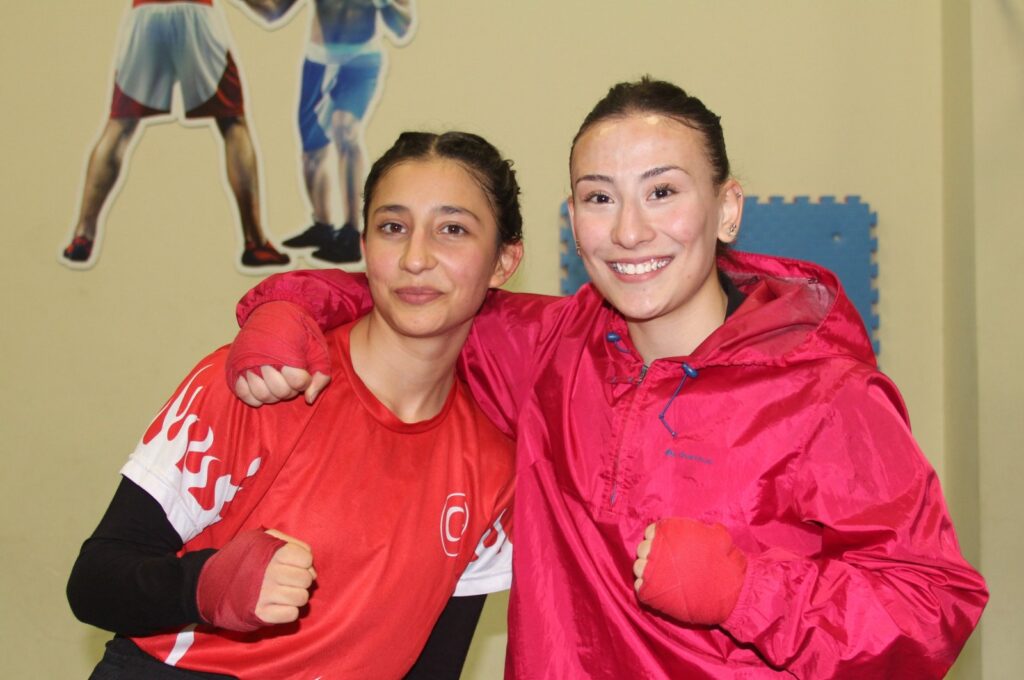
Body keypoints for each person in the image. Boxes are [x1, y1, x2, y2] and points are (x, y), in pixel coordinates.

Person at [225, 78, 988, 677]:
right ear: (573, 217)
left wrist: (746, 590)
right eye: (600, 198)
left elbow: (932, 609)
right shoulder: (547, 347)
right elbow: (422, 289)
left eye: (662, 191)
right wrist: (287, 307)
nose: (628, 232)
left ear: (726, 210)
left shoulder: (825, 393)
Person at [67, 130, 524, 678]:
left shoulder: (494, 464)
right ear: (364, 246)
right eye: (392, 227)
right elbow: (94, 581)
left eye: (452, 229)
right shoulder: (259, 386)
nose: (415, 257)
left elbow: (434, 666)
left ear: (503, 261)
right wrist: (203, 587)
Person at [60, 0, 289, 272]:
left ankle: (82, 235)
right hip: (196, 12)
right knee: (232, 123)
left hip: (144, 14)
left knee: (119, 126)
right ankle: (256, 243)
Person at [245, 0, 416, 265]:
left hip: (361, 61)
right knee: (312, 152)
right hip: (318, 61)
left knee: (345, 130)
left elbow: (403, 27)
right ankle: (323, 226)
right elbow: (273, 11)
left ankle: (350, 231)